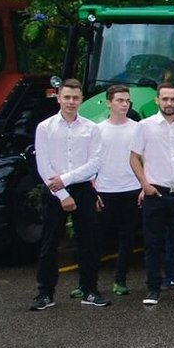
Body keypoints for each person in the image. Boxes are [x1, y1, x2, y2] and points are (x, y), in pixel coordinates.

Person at [31, 78, 103, 310]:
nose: (71, 102)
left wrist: (67, 179)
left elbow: (95, 163)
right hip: (53, 192)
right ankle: (45, 294)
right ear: (58, 98)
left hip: (82, 189)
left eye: (75, 97)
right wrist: (62, 194)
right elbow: (43, 164)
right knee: (49, 243)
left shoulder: (91, 129)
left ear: (81, 99)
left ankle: (90, 290)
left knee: (88, 243)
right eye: (67, 97)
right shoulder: (44, 128)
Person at [130, 82, 174, 305]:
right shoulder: (144, 126)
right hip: (155, 194)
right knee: (153, 244)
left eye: (173, 99)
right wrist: (145, 185)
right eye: (165, 99)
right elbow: (134, 158)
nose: (169, 103)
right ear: (157, 100)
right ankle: (153, 289)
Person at [94, 85, 141, 300]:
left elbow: (145, 159)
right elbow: (91, 162)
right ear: (109, 102)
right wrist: (93, 189)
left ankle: (120, 280)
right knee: (96, 239)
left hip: (131, 190)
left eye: (127, 101)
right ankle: (88, 283)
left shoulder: (137, 129)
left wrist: (144, 186)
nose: (124, 104)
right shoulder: (98, 130)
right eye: (120, 100)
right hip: (104, 190)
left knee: (127, 238)